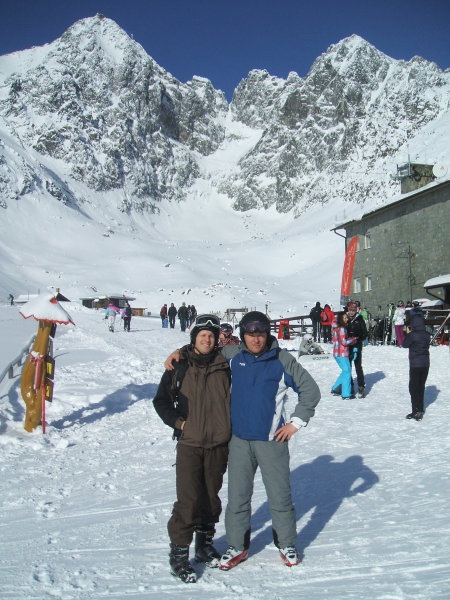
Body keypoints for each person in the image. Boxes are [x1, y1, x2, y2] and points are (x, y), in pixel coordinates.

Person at [165, 311, 321, 570]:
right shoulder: (233, 355)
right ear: (243, 335)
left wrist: (295, 423)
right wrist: (180, 352)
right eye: (251, 334)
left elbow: (310, 390)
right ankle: (237, 545)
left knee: (279, 496)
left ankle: (286, 543)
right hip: (238, 441)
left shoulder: (282, 359)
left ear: (267, 335)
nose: (256, 340)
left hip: (271, 441)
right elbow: (202, 351)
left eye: (261, 334)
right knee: (237, 498)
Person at [153, 314, 231, 583]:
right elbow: (161, 401)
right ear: (194, 338)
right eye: (202, 335)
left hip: (218, 443)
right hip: (190, 443)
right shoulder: (179, 365)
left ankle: (204, 546)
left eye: (211, 336)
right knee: (188, 501)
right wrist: (178, 423)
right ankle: (178, 555)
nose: (207, 339)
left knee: (210, 497)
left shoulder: (226, 364)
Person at [402, 311, 431, 421]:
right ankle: (420, 408)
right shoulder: (427, 335)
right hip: (425, 363)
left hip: (415, 364)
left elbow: (404, 344)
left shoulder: (412, 335)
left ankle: (416, 411)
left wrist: (408, 333)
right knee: (421, 386)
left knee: (413, 387)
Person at [331, 312, 358, 399]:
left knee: (345, 371)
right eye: (345, 318)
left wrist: (351, 339)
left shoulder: (336, 328)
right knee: (347, 372)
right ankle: (346, 394)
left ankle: (335, 388)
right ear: (340, 319)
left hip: (337, 353)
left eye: (347, 318)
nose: (347, 319)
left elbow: (341, 340)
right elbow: (344, 342)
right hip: (342, 353)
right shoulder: (342, 329)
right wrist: (353, 340)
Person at [346, 301, 368, 398]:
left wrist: (357, 339)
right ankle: (350, 386)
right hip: (347, 346)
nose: (351, 312)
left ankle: (361, 387)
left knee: (358, 366)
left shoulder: (360, 319)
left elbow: (365, 334)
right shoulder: (345, 318)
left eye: (353, 310)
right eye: (350, 310)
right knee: (348, 367)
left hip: (356, 345)